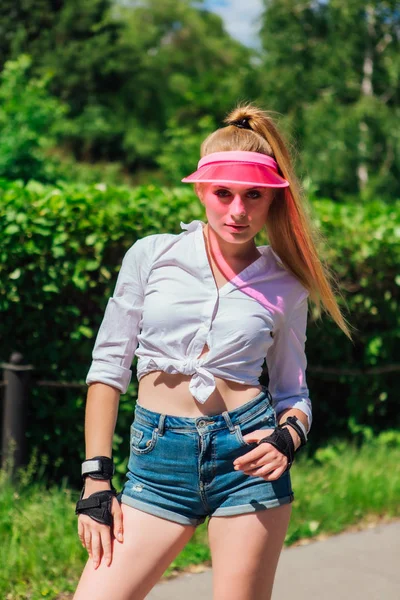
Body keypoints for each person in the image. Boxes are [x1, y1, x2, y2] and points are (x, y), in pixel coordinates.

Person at [73, 103, 352, 600]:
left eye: (254, 196)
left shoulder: (287, 284)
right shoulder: (151, 255)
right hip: (157, 466)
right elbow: (108, 368)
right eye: (223, 193)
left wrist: (288, 437)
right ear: (201, 189)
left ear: (273, 201)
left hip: (247, 456)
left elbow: (293, 392)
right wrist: (96, 479)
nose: (238, 211)